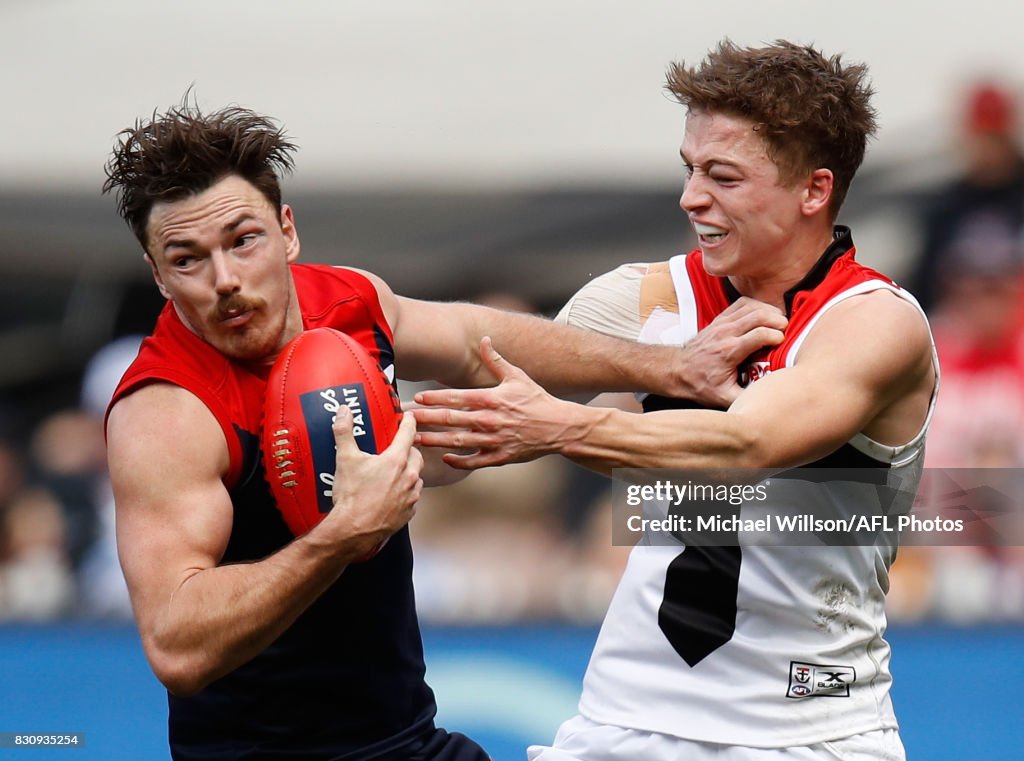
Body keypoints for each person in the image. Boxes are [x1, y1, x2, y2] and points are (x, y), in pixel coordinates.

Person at [100, 102, 786, 761]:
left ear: (287, 230)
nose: (224, 279)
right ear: (158, 275)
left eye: (243, 240)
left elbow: (471, 340)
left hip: (405, 738)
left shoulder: (347, 300)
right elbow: (177, 647)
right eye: (188, 259)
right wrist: (342, 536)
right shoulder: (167, 413)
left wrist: (670, 366)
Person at [414, 40, 939, 761]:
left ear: (814, 191)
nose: (692, 197)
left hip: (807, 728)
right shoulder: (647, 296)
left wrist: (557, 427)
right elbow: (471, 382)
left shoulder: (875, 320)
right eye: (689, 170)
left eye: (722, 176)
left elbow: (745, 447)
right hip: (622, 719)